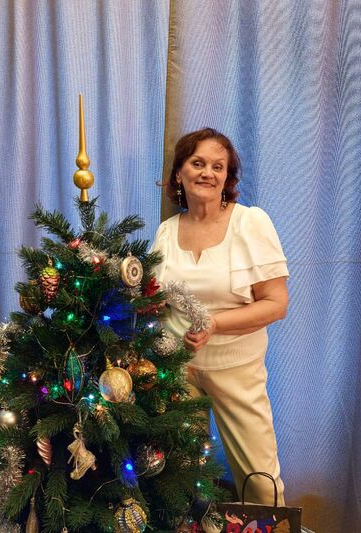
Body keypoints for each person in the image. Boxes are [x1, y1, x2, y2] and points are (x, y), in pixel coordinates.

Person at [151, 128, 289, 505]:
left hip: (237, 368)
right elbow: (156, 301)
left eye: (218, 166)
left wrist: (215, 324)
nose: (207, 173)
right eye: (197, 163)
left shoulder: (250, 223)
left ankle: (272, 529)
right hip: (178, 370)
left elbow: (276, 304)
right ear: (179, 173)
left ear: (228, 177)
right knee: (183, 477)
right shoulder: (166, 232)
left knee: (261, 483)